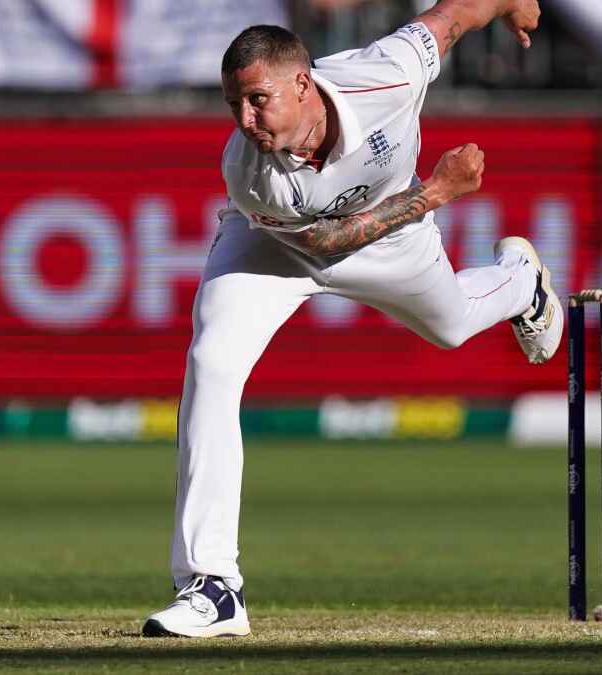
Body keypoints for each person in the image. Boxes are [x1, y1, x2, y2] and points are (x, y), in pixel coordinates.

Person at [142, 0, 551, 638]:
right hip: (277, 247)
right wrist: (438, 192)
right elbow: (328, 243)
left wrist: (510, 4)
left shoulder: (384, 73)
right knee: (212, 365)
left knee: (449, 325)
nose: (245, 120)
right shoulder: (248, 172)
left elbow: (448, 18)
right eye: (233, 105)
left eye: (256, 99)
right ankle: (213, 586)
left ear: (303, 84)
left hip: (394, 239)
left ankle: (519, 283)